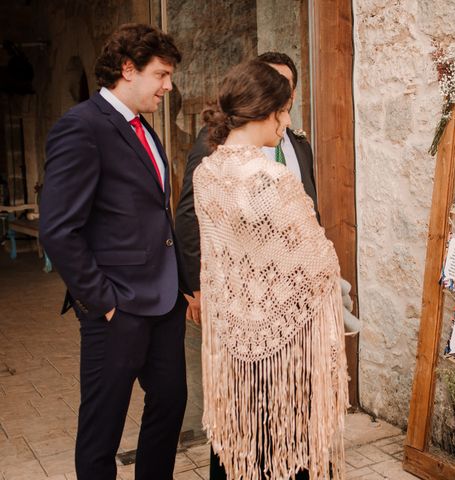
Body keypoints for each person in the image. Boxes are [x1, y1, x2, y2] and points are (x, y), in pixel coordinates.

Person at [39, 24, 190, 480]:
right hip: (117, 307)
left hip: (164, 303)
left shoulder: (145, 129)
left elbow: (155, 217)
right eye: (161, 74)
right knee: (101, 431)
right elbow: (58, 229)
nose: (169, 85)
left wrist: (183, 285)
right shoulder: (80, 126)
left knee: (170, 403)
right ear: (128, 69)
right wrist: (102, 303)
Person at [193, 60, 348, 479]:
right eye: (283, 111)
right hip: (284, 342)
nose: (287, 123)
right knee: (284, 441)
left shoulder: (206, 173)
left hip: (233, 338)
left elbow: (225, 253)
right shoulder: (273, 178)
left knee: (241, 438)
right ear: (267, 111)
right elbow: (318, 263)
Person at [175, 51, 318, 326]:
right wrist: (197, 286)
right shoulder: (216, 144)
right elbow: (189, 215)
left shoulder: (299, 144)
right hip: (243, 298)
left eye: (283, 85)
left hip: (294, 292)